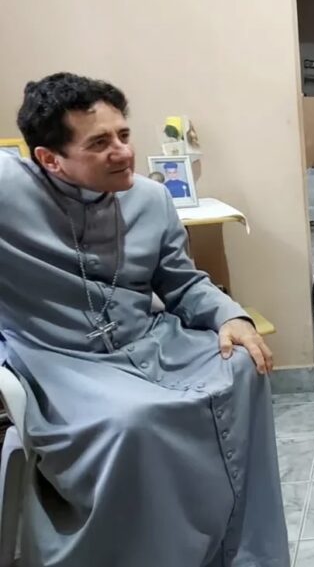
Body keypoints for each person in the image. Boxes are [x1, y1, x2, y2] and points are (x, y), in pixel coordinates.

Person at [0, 73, 288, 566]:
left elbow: (182, 281)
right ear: (50, 159)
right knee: (133, 421)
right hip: (62, 359)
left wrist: (230, 316)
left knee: (244, 367)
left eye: (124, 135)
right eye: (99, 143)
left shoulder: (151, 199)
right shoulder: (9, 193)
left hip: (149, 341)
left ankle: (239, 552)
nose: (123, 152)